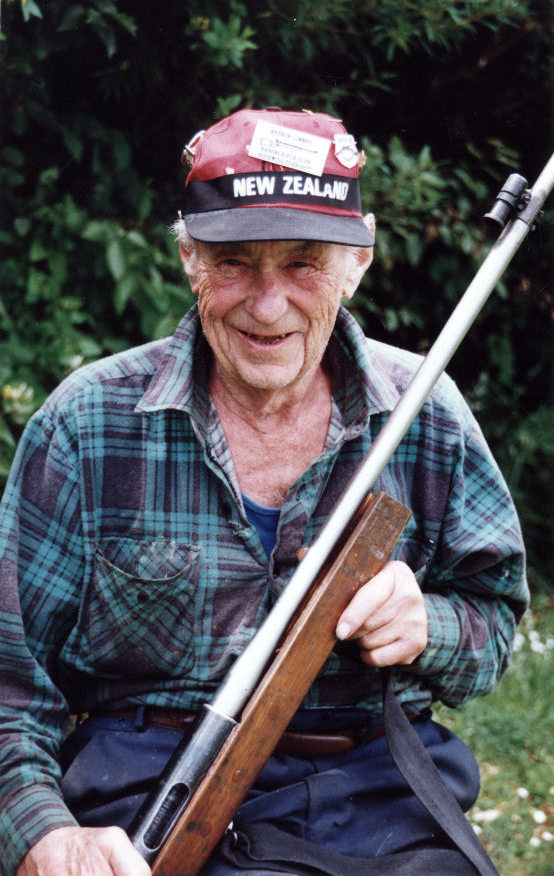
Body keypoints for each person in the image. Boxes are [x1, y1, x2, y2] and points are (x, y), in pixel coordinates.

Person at [0, 108, 528, 876]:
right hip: (146, 788)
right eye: (235, 261)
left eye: (304, 263)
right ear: (188, 256)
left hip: (372, 796)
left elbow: (493, 622)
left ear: (359, 260)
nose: (268, 302)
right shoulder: (87, 424)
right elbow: (9, 686)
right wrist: (47, 835)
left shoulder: (425, 412)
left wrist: (431, 625)